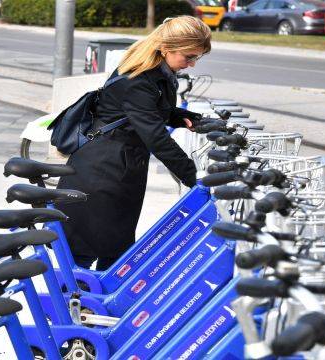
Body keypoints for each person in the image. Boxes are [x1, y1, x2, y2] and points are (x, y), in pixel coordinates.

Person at [55, 15, 212, 271]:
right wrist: (195, 177)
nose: (192, 64)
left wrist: (183, 117)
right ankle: (67, 306)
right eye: (189, 56)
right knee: (86, 250)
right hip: (101, 172)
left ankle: (96, 305)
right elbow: (156, 138)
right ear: (166, 48)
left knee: (116, 250)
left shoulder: (156, 72)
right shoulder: (139, 79)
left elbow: (147, 112)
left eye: (197, 58)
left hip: (120, 166)